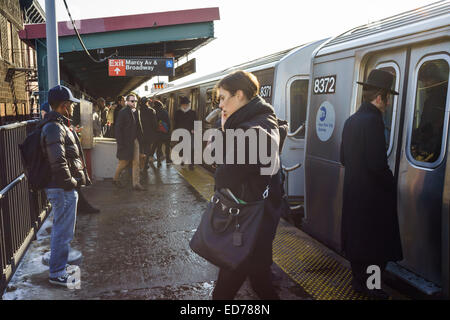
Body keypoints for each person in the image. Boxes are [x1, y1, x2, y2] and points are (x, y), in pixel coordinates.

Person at [211, 70, 286, 300]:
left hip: (247, 224)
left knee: (223, 293)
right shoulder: (264, 119)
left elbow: (224, 177)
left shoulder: (248, 131)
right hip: (261, 217)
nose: (220, 105)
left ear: (240, 95)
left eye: (223, 98)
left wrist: (224, 132)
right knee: (261, 280)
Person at [340, 69, 403, 299]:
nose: (387, 105)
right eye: (387, 100)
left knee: (358, 241)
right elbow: (377, 164)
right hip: (373, 198)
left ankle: (358, 282)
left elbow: (343, 158)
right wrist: (392, 183)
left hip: (353, 193)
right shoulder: (374, 122)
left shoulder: (351, 121)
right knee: (377, 247)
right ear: (380, 98)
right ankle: (374, 286)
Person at [41, 85, 91, 287]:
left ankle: (58, 264)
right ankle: (57, 272)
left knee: (62, 230)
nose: (72, 108)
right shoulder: (54, 127)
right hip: (62, 189)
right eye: (70, 104)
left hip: (62, 188)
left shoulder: (58, 124)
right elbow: (58, 162)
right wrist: (71, 183)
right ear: (64, 105)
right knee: (63, 231)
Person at [113, 93, 146, 191]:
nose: (134, 103)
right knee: (124, 162)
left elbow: (139, 127)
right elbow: (118, 129)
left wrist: (142, 140)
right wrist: (121, 143)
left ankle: (136, 184)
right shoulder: (123, 112)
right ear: (127, 102)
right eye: (132, 101)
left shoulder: (137, 112)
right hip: (126, 141)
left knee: (136, 162)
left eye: (135, 101)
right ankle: (115, 178)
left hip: (135, 140)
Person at [174, 96, 196, 170]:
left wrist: (194, 129)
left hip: (190, 133)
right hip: (181, 133)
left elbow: (196, 123)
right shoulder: (178, 113)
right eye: (184, 104)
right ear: (181, 105)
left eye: (187, 104)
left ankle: (191, 164)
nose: (186, 106)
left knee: (191, 149)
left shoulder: (193, 113)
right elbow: (175, 123)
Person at [139, 97, 158, 169]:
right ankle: (145, 164)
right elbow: (155, 124)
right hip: (149, 134)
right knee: (147, 150)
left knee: (141, 149)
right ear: (147, 102)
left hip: (140, 134)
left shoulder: (138, 111)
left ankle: (140, 163)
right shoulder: (151, 111)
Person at [153, 100, 172, 166]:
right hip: (165, 132)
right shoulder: (164, 111)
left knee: (159, 147)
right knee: (167, 147)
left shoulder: (154, 112)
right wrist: (169, 131)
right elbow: (168, 123)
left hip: (158, 133)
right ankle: (168, 159)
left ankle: (158, 162)